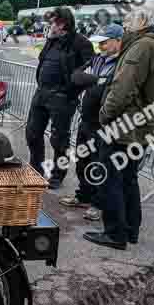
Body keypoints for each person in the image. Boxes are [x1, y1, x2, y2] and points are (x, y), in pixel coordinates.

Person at [84, 0, 154, 250]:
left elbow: (122, 89)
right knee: (128, 178)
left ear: (143, 20)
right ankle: (130, 229)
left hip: (126, 126)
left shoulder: (143, 46)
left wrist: (105, 115)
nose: (127, 22)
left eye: (131, 17)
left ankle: (116, 233)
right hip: (146, 124)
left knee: (111, 178)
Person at [59, 24, 123, 222]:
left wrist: (94, 81)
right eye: (100, 43)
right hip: (86, 120)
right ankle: (83, 195)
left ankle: (98, 203)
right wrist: (96, 80)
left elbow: (111, 86)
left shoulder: (121, 63)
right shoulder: (97, 59)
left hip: (103, 123)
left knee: (99, 164)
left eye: (105, 42)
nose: (101, 46)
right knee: (82, 160)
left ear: (118, 41)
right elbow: (76, 76)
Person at [25, 6, 93, 189]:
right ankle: (35, 169)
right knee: (32, 133)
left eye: (51, 22)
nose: (49, 25)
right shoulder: (52, 40)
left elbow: (89, 72)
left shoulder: (81, 43)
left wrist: (70, 92)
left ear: (62, 23)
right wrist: (50, 40)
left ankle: (57, 175)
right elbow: (43, 61)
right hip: (42, 94)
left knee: (59, 140)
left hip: (62, 98)